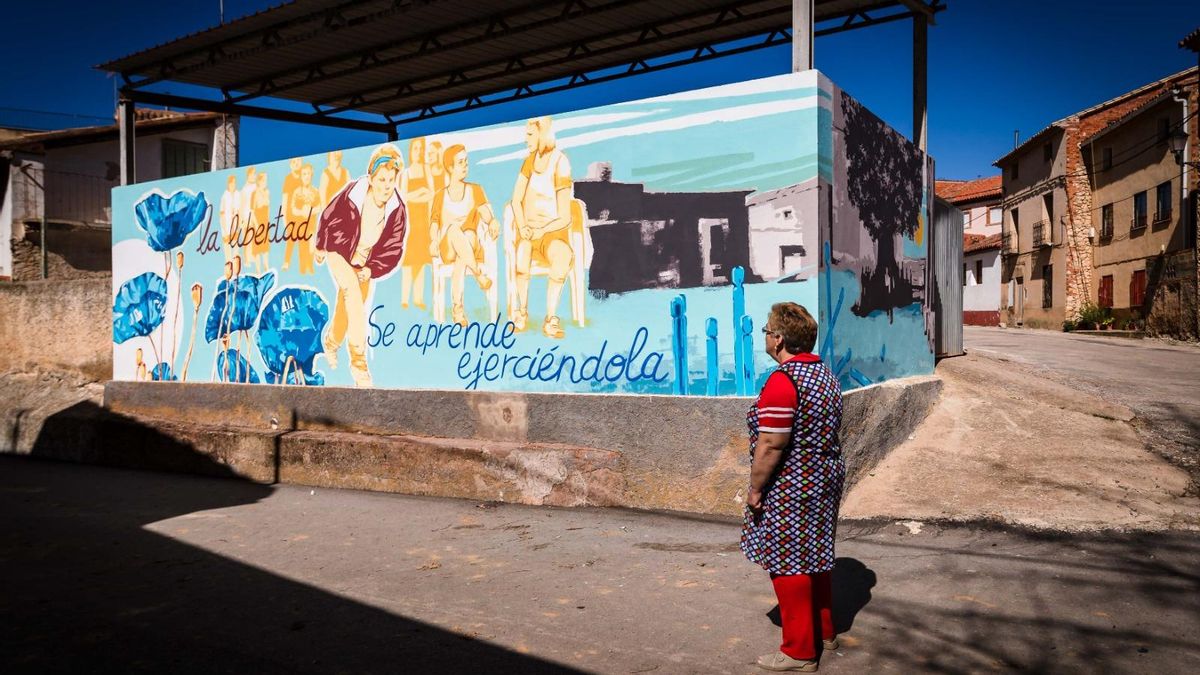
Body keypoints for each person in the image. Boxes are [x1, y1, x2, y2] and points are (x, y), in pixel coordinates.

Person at [741, 302, 845, 673]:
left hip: (792, 483)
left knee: (788, 563)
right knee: (816, 554)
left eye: (767, 331)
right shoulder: (825, 376)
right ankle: (825, 631)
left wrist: (755, 489)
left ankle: (799, 651)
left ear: (779, 339)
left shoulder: (784, 382)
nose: (765, 337)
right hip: (824, 478)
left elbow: (772, 444)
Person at [314, 144, 408, 388]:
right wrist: (321, 245)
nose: (387, 185)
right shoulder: (354, 193)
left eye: (391, 180)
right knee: (352, 293)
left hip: (363, 261)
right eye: (382, 179)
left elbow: (394, 248)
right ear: (371, 178)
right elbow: (328, 214)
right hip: (339, 249)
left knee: (347, 307)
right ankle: (359, 363)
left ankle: (331, 342)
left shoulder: (397, 211)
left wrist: (372, 269)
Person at [510, 116, 574, 338]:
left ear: (541, 133)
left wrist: (542, 230)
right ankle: (522, 313)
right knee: (522, 251)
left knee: (563, 256)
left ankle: (550, 319)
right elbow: (515, 200)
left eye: (529, 134)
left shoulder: (560, 162)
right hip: (528, 233)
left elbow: (565, 217)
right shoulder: (528, 161)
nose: (526, 139)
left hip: (552, 234)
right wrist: (522, 226)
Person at [429, 144, 498, 326]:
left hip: (470, 243)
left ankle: (457, 309)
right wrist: (434, 240)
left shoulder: (475, 190)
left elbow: (486, 213)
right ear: (450, 168)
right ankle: (478, 274)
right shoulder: (440, 196)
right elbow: (434, 223)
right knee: (453, 229)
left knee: (466, 239)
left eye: (466, 161)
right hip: (448, 247)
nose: (465, 165)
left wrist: (492, 221)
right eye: (460, 162)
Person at [399, 137, 433, 310]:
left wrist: (418, 196)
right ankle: (405, 299)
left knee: (420, 262)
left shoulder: (426, 170)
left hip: (423, 221)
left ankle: (418, 298)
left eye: (421, 149)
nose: (418, 152)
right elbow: (402, 197)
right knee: (408, 262)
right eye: (415, 148)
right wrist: (420, 192)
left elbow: (432, 194)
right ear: (410, 151)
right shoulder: (406, 173)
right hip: (410, 222)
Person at [289, 163, 320, 275]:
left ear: (312, 175)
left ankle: (310, 268)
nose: (306, 176)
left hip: (311, 225)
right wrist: (302, 211)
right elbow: (292, 209)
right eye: (304, 174)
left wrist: (310, 210)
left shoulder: (315, 191)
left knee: (311, 248)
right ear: (301, 176)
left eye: (308, 174)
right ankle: (302, 271)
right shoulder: (297, 192)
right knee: (302, 248)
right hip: (300, 226)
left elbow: (319, 207)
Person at [281, 158, 304, 271]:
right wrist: (284, 218)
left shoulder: (303, 176)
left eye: (298, 162)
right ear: (290, 165)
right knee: (291, 240)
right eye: (294, 162)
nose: (296, 164)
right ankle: (287, 262)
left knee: (303, 240)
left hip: (303, 215)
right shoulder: (288, 179)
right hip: (291, 215)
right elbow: (285, 200)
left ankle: (302, 264)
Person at [248, 171, 271, 273]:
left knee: (265, 249)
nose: (266, 182)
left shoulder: (267, 192)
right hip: (257, 223)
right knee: (257, 250)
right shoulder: (255, 193)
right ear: (260, 181)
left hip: (265, 223)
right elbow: (252, 211)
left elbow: (268, 208)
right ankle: (258, 272)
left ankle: (266, 269)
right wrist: (256, 225)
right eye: (264, 180)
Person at [218, 173, 241, 263]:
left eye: (234, 183)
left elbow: (239, 210)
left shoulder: (237, 194)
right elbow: (222, 212)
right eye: (231, 183)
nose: (233, 185)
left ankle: (235, 264)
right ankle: (228, 263)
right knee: (227, 247)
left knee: (235, 246)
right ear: (229, 184)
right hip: (226, 225)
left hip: (235, 224)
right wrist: (224, 226)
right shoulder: (225, 195)